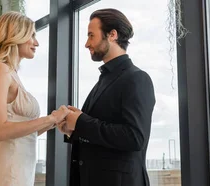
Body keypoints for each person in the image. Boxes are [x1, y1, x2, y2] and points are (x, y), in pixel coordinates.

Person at [57, 8, 156, 186]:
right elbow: (101, 130)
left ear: (112, 35)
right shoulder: (105, 78)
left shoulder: (137, 78)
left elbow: (135, 137)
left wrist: (80, 122)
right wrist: (73, 129)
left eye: (91, 36)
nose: (87, 44)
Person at [0, 11, 69, 186]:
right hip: (9, 173)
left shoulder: (11, 72)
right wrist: (50, 118)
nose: (36, 42)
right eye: (32, 35)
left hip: (20, 171)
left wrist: (52, 123)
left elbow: (22, 137)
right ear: (15, 35)